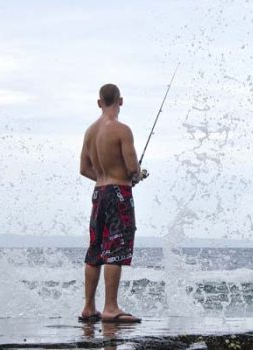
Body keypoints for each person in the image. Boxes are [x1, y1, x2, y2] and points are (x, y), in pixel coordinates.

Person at [78, 83, 146, 323]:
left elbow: (84, 169)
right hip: (119, 192)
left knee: (96, 248)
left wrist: (105, 178)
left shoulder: (90, 132)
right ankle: (110, 308)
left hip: (99, 193)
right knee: (115, 248)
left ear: (99, 102)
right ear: (121, 101)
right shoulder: (121, 130)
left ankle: (88, 307)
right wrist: (137, 175)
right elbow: (131, 168)